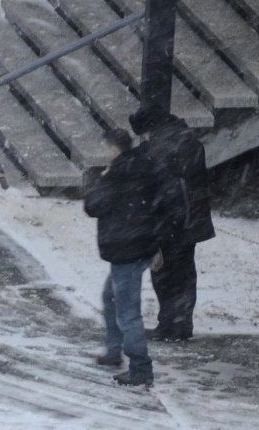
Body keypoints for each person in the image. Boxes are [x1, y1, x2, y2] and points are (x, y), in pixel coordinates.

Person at [84, 128, 164, 387]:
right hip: (140, 245)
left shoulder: (117, 175)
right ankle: (113, 351)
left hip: (125, 248)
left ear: (113, 149)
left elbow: (93, 206)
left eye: (105, 148)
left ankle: (140, 368)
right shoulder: (141, 166)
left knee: (127, 313)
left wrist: (103, 180)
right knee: (111, 297)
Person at [129, 104, 215, 342]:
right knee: (185, 274)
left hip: (169, 223)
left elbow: (160, 192)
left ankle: (168, 325)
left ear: (149, 128)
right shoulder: (188, 138)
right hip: (191, 221)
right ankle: (182, 324)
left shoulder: (158, 148)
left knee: (164, 275)